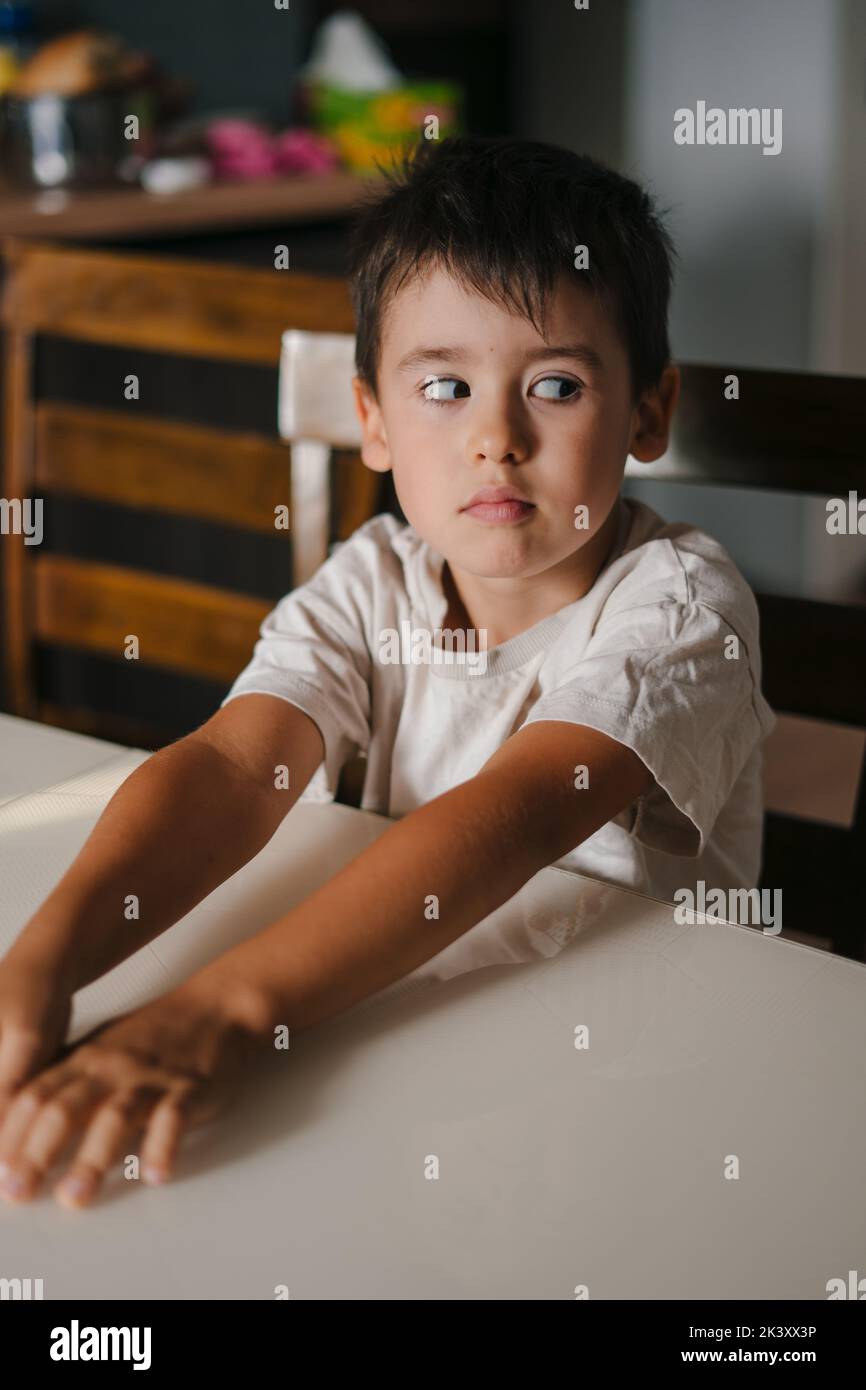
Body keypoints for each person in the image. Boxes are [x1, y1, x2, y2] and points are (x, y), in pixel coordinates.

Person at [0, 135, 775, 1209]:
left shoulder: (682, 608)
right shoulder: (373, 577)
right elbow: (235, 763)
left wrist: (219, 1012)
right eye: (444, 386)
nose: (493, 440)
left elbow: (511, 814)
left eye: (552, 384)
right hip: (404, 1034)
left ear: (647, 410)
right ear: (372, 418)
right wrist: (41, 963)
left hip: (630, 1094)